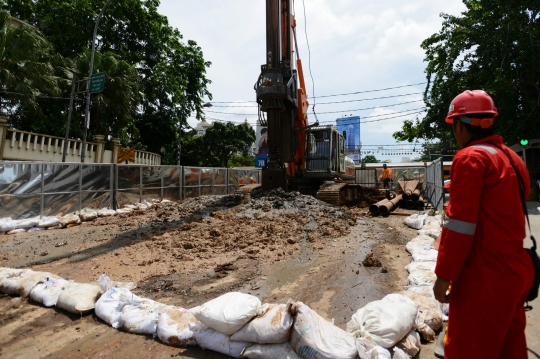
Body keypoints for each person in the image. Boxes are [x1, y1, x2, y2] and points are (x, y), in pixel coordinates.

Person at [433, 90, 533, 359]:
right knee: (509, 348)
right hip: (516, 269)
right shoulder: (512, 158)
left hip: (484, 275)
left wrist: (444, 275)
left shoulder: (470, 158)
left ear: (459, 126)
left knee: (468, 349)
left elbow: (460, 226)